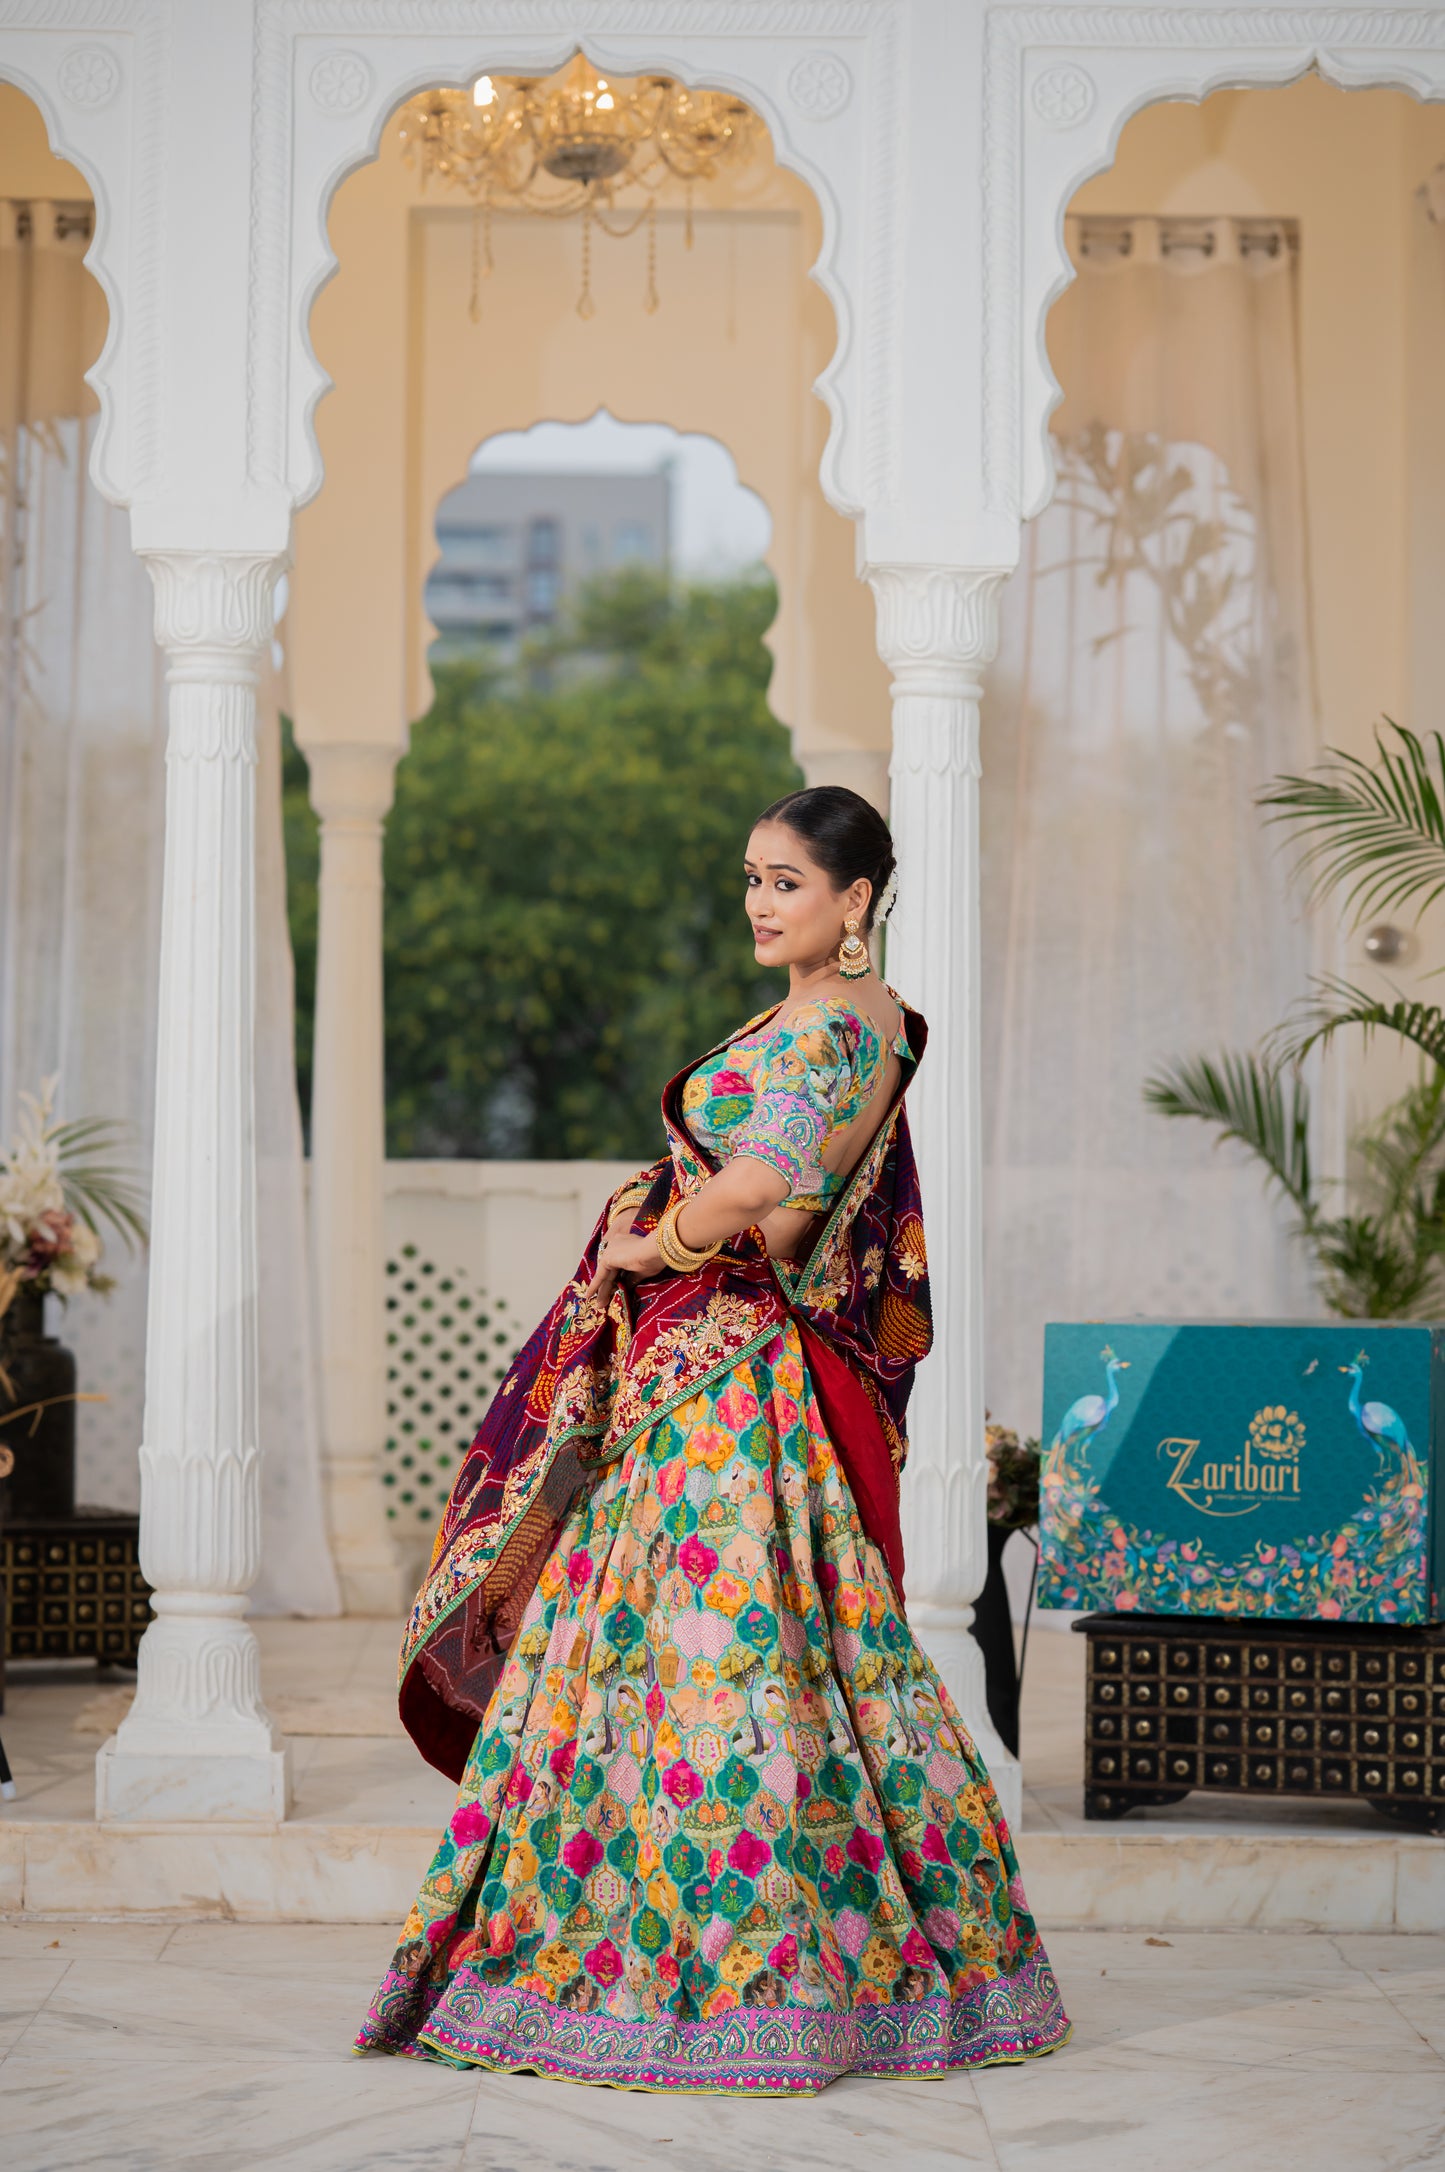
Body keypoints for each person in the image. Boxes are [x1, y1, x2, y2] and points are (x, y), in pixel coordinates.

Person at [356, 785, 1069, 2094]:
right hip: (732, 1375)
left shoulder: (832, 1027)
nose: (759, 902)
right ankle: (806, 1963)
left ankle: (699, 1973)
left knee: (697, 1667)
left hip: (728, 1396)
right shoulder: (861, 1019)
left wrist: (654, 1242)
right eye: (750, 878)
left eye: (786, 881)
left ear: (855, 899)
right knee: (773, 1668)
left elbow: (773, 1198)